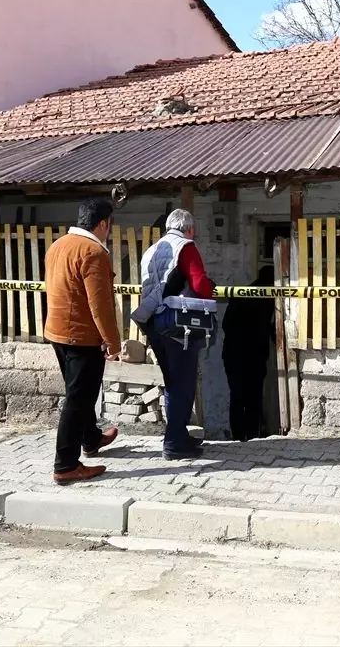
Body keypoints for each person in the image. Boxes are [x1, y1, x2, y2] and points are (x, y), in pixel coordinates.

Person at [43, 198, 122, 485]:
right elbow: (100, 305)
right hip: (81, 335)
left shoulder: (58, 245)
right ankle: (65, 464)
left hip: (57, 331)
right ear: (104, 223)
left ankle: (90, 439)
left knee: (81, 392)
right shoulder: (93, 252)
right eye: (110, 224)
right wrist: (113, 342)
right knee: (78, 399)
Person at [135, 208, 214, 459]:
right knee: (184, 382)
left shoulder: (152, 250)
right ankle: (174, 443)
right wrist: (210, 289)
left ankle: (178, 434)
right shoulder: (186, 247)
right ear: (189, 229)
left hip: (155, 323)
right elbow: (200, 285)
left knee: (171, 381)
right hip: (180, 324)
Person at [221, 265, 275, 441]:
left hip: (233, 353)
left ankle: (238, 437)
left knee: (237, 395)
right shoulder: (267, 297)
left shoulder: (241, 294)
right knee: (253, 396)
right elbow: (267, 327)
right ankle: (252, 436)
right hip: (253, 355)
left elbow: (225, 325)